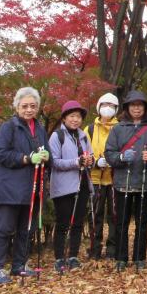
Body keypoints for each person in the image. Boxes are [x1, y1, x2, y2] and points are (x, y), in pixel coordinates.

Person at [0, 87, 50, 284]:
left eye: (33, 106)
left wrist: (47, 157)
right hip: (10, 188)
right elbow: (1, 154)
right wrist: (26, 158)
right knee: (4, 229)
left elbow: (46, 154)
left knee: (26, 229)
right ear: (17, 107)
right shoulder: (9, 127)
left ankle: (19, 265)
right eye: (25, 106)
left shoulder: (40, 129)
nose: (29, 110)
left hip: (32, 189)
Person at [104, 90, 147, 270]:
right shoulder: (118, 129)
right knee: (121, 222)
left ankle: (139, 257)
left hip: (145, 183)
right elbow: (109, 153)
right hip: (122, 183)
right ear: (127, 107)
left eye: (140, 105)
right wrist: (121, 157)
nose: (136, 108)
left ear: (145, 108)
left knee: (142, 223)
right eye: (133, 105)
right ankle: (121, 257)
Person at [49, 100, 94, 273]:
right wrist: (77, 162)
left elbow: (90, 156)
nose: (75, 120)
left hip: (82, 184)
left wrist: (90, 160)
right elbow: (54, 162)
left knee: (77, 223)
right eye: (72, 116)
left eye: (78, 117)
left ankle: (73, 256)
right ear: (65, 118)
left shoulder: (83, 136)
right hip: (63, 187)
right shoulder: (57, 136)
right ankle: (60, 258)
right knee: (62, 223)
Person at [86, 92, 119, 260]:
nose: (108, 108)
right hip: (95, 179)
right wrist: (95, 161)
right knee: (95, 215)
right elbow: (83, 153)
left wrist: (115, 160)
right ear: (99, 108)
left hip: (114, 179)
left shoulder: (120, 128)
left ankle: (113, 249)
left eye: (112, 106)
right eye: (105, 105)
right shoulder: (90, 129)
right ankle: (94, 248)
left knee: (114, 215)